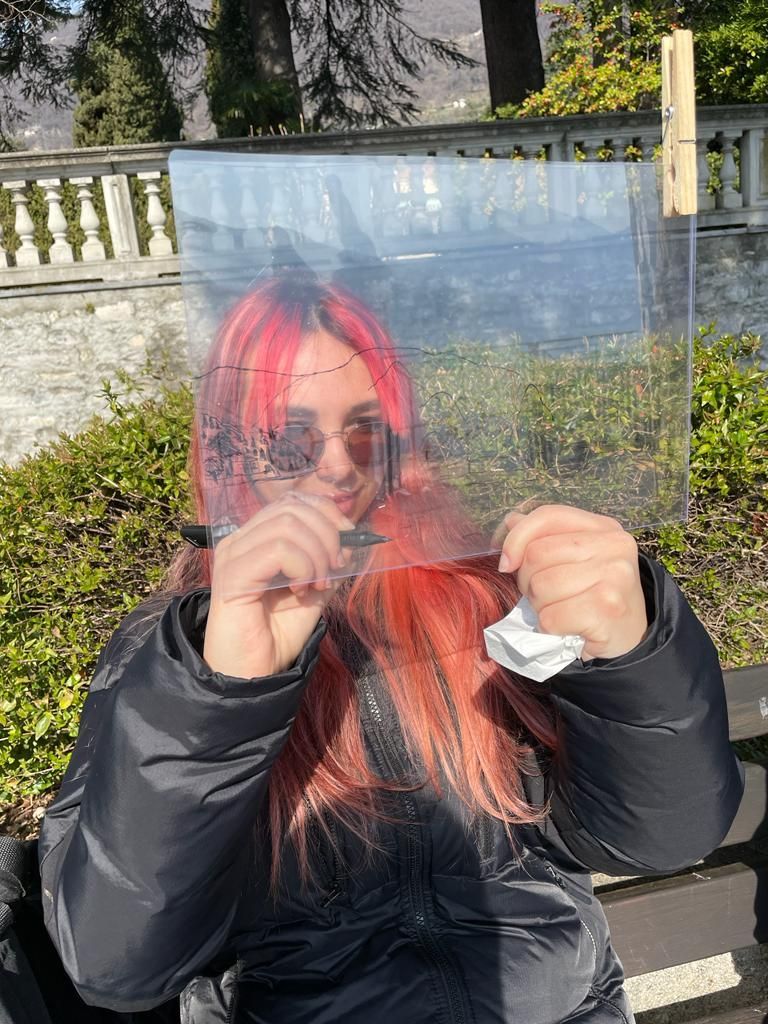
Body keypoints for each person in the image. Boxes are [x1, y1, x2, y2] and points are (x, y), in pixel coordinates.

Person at [39, 276, 743, 1024]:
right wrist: (223, 693)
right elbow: (117, 964)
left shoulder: (480, 595)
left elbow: (660, 838)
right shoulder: (175, 652)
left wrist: (631, 655)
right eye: (289, 438)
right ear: (229, 453)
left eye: (366, 432)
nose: (338, 468)